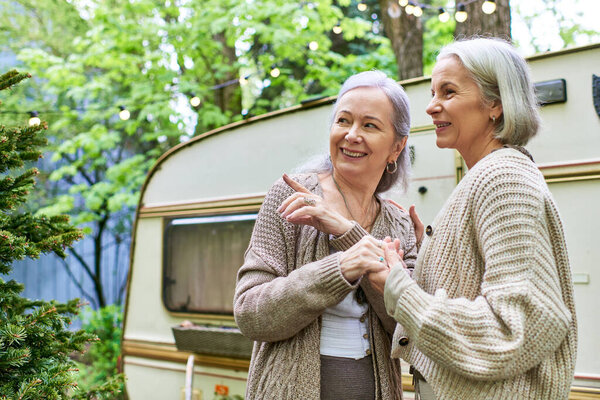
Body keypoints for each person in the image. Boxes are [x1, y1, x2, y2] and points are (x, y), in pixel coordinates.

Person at [374, 37, 578, 400]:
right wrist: (430, 254)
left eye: (448, 92)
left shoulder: (502, 179)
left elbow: (517, 327)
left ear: (495, 104)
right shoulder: (486, 176)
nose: (432, 107)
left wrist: (400, 289)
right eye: (433, 93)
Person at [234, 70, 418, 400]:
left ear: (397, 146)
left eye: (370, 125)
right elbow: (250, 314)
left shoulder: (399, 225)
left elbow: (408, 330)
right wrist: (340, 268)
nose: (351, 135)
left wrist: (349, 236)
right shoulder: (291, 197)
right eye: (343, 121)